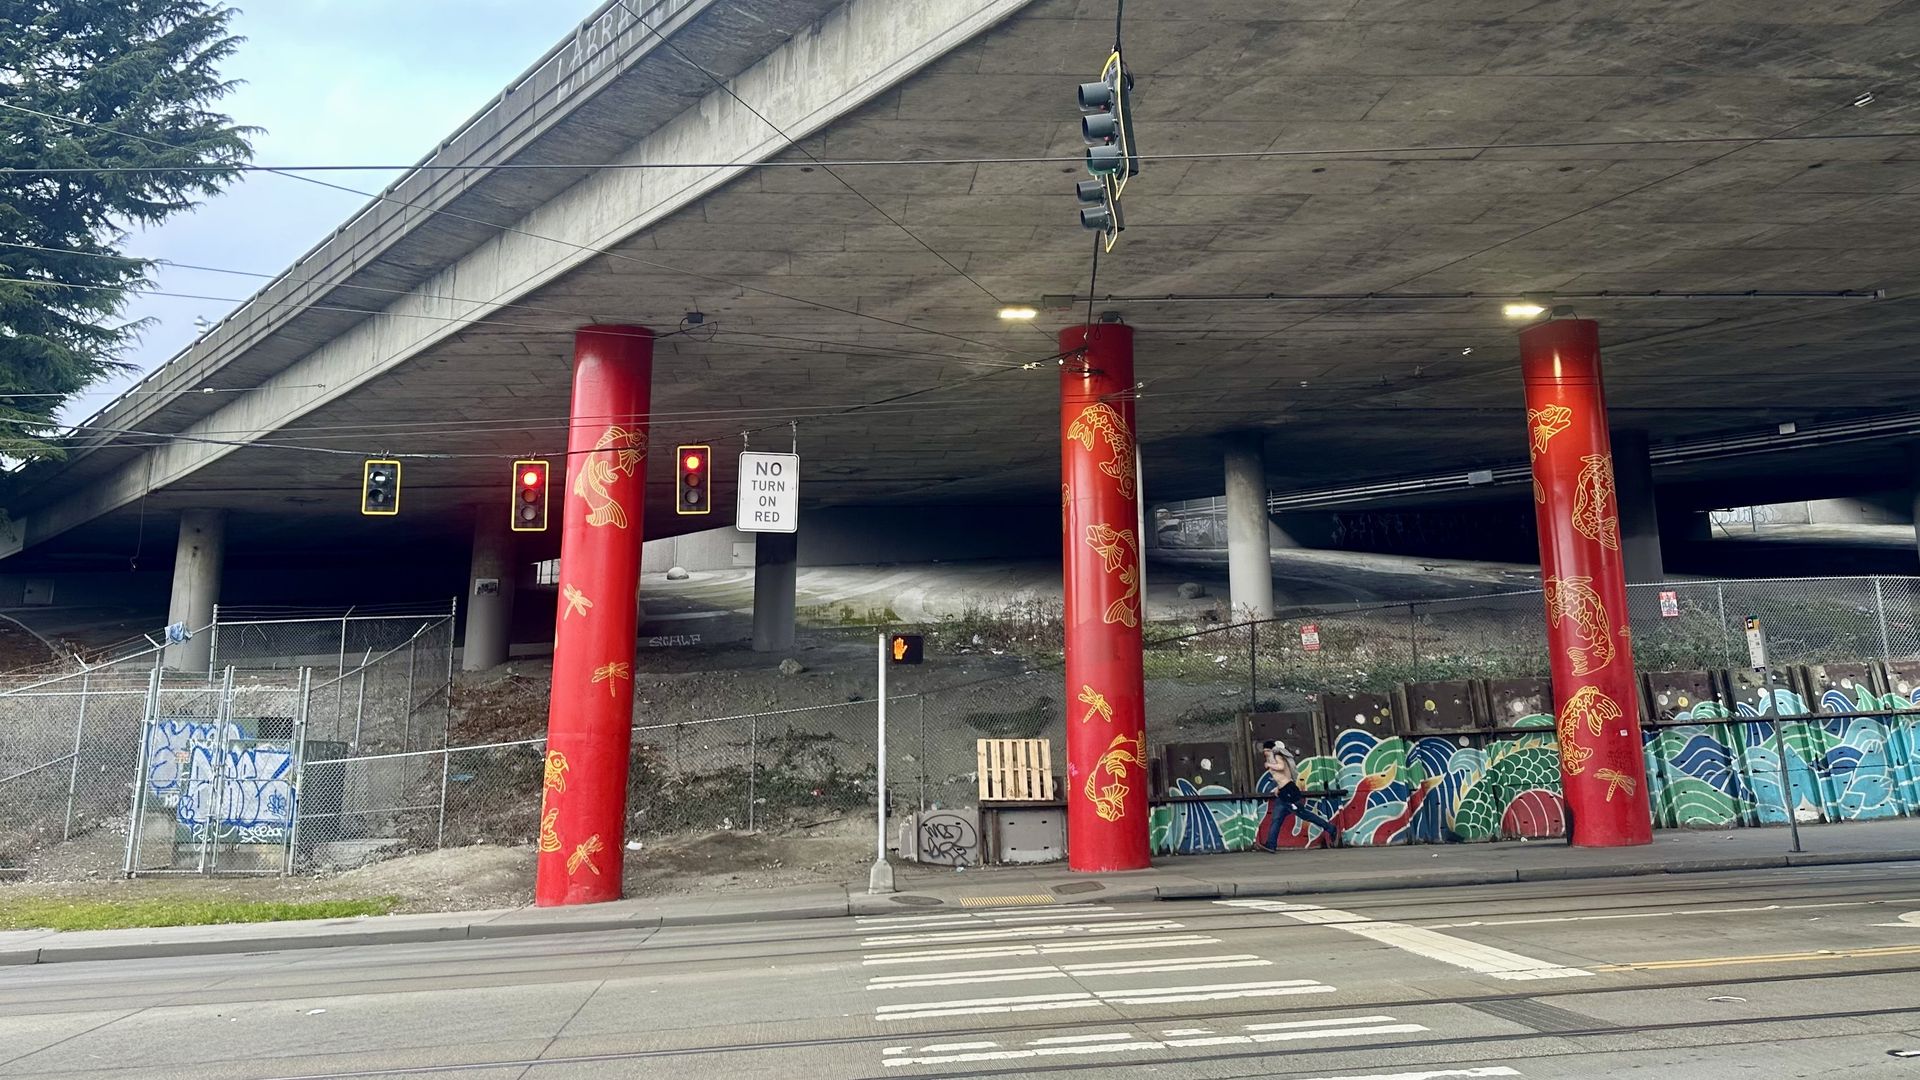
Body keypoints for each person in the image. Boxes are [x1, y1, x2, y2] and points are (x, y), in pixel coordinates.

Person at [1256, 741, 1340, 850]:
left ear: (1272, 750)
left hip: (1290, 791)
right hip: (1283, 793)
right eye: (1264, 751)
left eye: (1267, 751)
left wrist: (1269, 765)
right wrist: (1278, 788)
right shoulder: (1273, 759)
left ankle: (1331, 829)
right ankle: (1271, 845)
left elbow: (1281, 767)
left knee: (1305, 815)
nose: (1265, 753)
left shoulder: (1278, 756)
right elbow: (1284, 776)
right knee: (1276, 819)